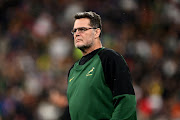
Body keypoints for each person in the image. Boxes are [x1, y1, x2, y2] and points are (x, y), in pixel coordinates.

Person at [67, 11, 137, 120]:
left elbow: (126, 101)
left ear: (97, 32)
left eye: (82, 29)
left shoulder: (110, 59)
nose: (77, 33)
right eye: (74, 30)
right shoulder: (73, 70)